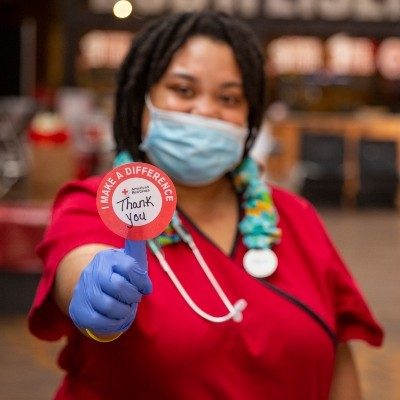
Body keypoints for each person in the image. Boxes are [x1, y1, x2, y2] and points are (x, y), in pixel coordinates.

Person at [28, 11, 383, 400]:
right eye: (183, 90)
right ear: (141, 100)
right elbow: (76, 261)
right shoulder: (98, 205)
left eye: (228, 98)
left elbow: (338, 356)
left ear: (250, 117)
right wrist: (94, 285)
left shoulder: (295, 218)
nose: (206, 110)